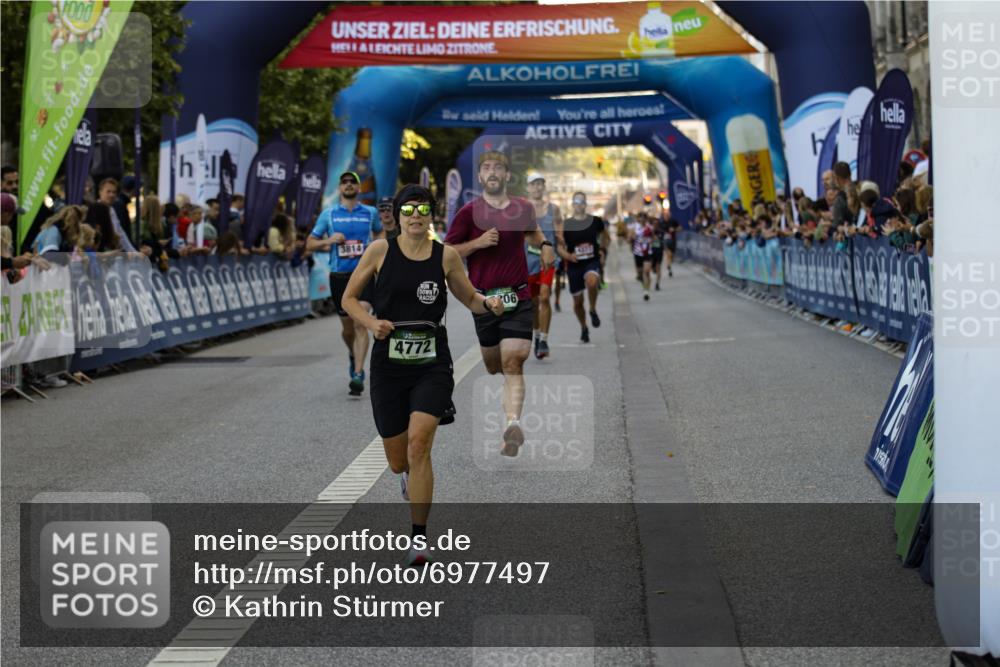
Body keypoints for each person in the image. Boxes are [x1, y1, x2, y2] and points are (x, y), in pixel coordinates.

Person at [342, 184, 506, 566]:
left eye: (423, 209)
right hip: (388, 364)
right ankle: (405, 477)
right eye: (409, 209)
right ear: (398, 215)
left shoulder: (446, 256)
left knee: (420, 444)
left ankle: (419, 539)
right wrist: (371, 322)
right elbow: (349, 299)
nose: (416, 215)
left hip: (431, 361)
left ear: (432, 214)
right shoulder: (380, 251)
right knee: (399, 460)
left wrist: (489, 303)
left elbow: (469, 297)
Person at [444, 151, 554, 456]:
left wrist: (543, 245)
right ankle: (508, 408)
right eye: (487, 168)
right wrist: (477, 244)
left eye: (498, 168)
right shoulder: (468, 213)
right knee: (493, 365)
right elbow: (448, 251)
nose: (492, 172)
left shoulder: (522, 207)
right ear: (480, 177)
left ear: (507, 176)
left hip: (517, 296)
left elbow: (532, 232)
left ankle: (512, 425)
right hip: (484, 301)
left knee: (513, 361)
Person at [306, 170, 383, 396]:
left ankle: (358, 374)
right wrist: (329, 240)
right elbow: (310, 244)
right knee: (348, 328)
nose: (349, 185)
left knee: (361, 322)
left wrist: (374, 248)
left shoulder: (370, 213)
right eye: (345, 182)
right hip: (340, 276)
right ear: (340, 188)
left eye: (353, 182)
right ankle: (353, 354)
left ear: (359, 188)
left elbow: (380, 235)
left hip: (365, 275)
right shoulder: (329, 215)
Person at [558, 192, 608, 343]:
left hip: (591, 261)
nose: (579, 204)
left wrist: (603, 250)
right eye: (576, 202)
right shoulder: (566, 225)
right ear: (572, 204)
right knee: (578, 303)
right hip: (574, 265)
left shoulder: (596, 221)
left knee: (592, 281)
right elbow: (559, 247)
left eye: (582, 201)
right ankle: (584, 327)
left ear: (586, 204)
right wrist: (568, 256)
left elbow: (605, 236)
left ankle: (592, 309)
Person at [524, 172, 562, 360]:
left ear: (544, 187)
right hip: (527, 261)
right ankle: (537, 335)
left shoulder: (554, 209)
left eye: (540, 183)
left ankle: (545, 340)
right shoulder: (521, 209)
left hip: (547, 261)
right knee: (532, 304)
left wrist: (564, 254)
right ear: (528, 188)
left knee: (545, 297)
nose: (537, 187)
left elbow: (559, 235)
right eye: (534, 184)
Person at [96, 178, 137, 251]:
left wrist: (133, 251)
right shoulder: (95, 210)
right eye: (108, 192)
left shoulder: (112, 210)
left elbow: (120, 233)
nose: (111, 195)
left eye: (114, 192)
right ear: (100, 192)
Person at [628, 213, 654, 301]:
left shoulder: (650, 227)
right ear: (638, 219)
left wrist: (650, 241)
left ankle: (646, 291)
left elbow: (653, 238)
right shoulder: (634, 228)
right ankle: (644, 284)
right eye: (640, 218)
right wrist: (632, 237)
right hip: (638, 252)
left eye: (644, 218)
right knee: (640, 274)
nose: (642, 219)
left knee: (646, 271)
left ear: (646, 219)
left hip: (647, 252)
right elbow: (628, 239)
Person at [663, 213, 681, 279]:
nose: (666, 216)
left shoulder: (673, 221)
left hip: (673, 240)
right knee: (668, 254)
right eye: (665, 215)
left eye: (667, 215)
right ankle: (669, 267)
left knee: (671, 255)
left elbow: (680, 228)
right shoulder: (662, 222)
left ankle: (669, 264)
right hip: (665, 241)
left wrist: (674, 230)